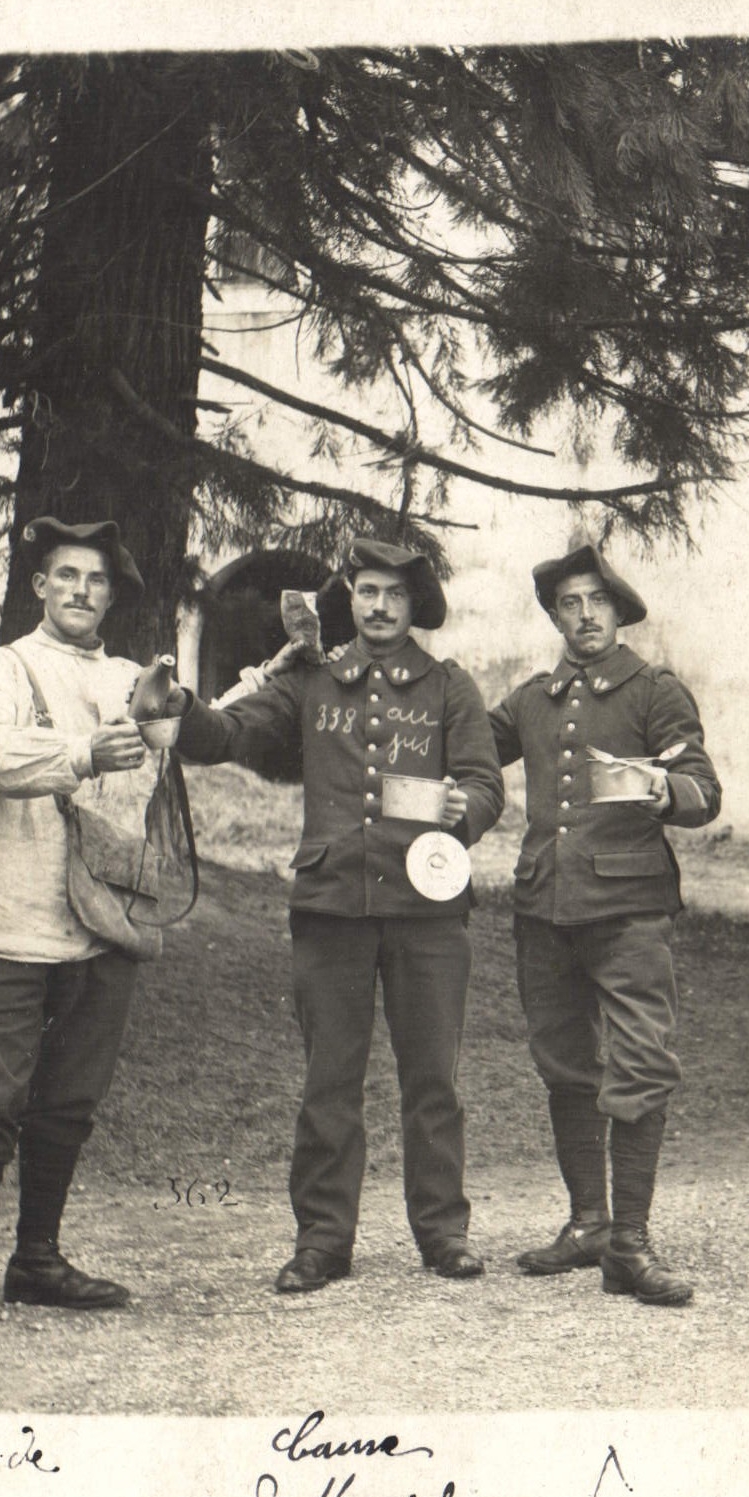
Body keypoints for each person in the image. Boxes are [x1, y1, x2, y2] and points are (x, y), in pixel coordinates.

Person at [161, 539, 505, 1292]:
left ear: (416, 607)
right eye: (365, 591)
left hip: (428, 913)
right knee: (329, 1080)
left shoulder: (450, 688)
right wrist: (181, 710)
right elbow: (232, 732)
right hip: (332, 908)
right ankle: (322, 1240)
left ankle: (444, 1233)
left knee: (433, 1082)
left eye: (393, 594)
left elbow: (485, 784)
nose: (377, 606)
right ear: (348, 599)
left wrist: (463, 808)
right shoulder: (312, 683)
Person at [0, 516, 158, 1344]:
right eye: (66, 576)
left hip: (98, 927)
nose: (81, 592)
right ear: (40, 587)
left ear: (110, 594)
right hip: (1, 926)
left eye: (96, 580)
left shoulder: (129, 676)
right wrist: (88, 752)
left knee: (67, 1106)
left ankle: (37, 1260)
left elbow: (173, 749)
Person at [488, 543, 722, 1306]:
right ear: (554, 615)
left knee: (641, 1064)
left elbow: (702, 786)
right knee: (563, 1066)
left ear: (618, 610)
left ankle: (630, 1243)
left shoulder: (654, 691)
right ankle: (588, 1223)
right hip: (543, 909)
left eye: (596, 601)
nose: (583, 615)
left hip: (629, 913)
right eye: (568, 604)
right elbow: (465, 749)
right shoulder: (532, 698)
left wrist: (664, 790)